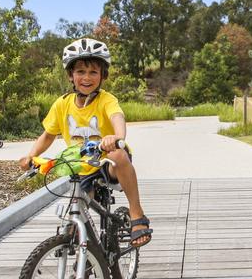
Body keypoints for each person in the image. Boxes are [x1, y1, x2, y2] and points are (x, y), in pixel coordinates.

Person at [18, 38, 152, 248]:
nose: (86, 78)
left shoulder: (107, 100)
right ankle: (83, 272)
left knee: (118, 155)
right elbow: (48, 135)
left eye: (93, 72)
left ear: (102, 76)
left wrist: (117, 138)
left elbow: (118, 117)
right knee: (76, 216)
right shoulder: (62, 104)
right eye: (80, 72)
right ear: (71, 75)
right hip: (82, 166)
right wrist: (30, 155)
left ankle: (136, 213)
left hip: (109, 162)